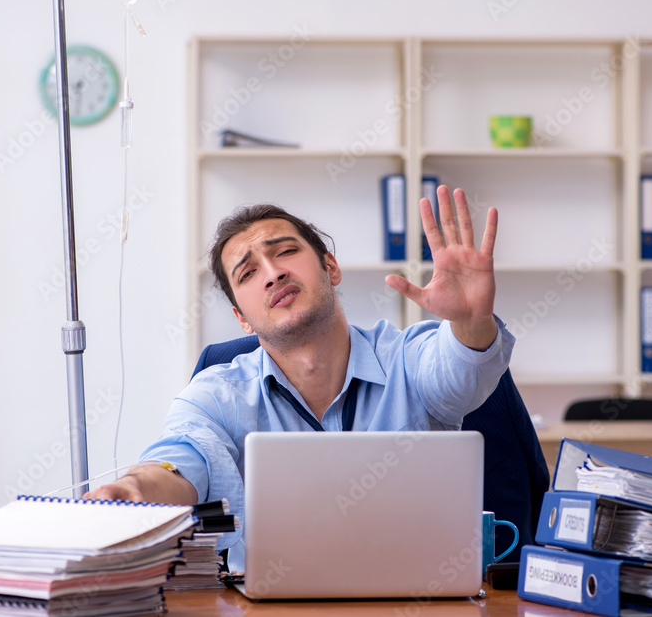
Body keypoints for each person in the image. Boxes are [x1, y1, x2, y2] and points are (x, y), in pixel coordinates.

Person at [85, 185, 515, 570]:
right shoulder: (216, 396)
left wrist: (471, 322)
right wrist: (132, 490)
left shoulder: (409, 359)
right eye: (248, 273)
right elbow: (180, 461)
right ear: (242, 319)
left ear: (331, 268)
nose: (273, 273)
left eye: (285, 251)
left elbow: (461, 368)